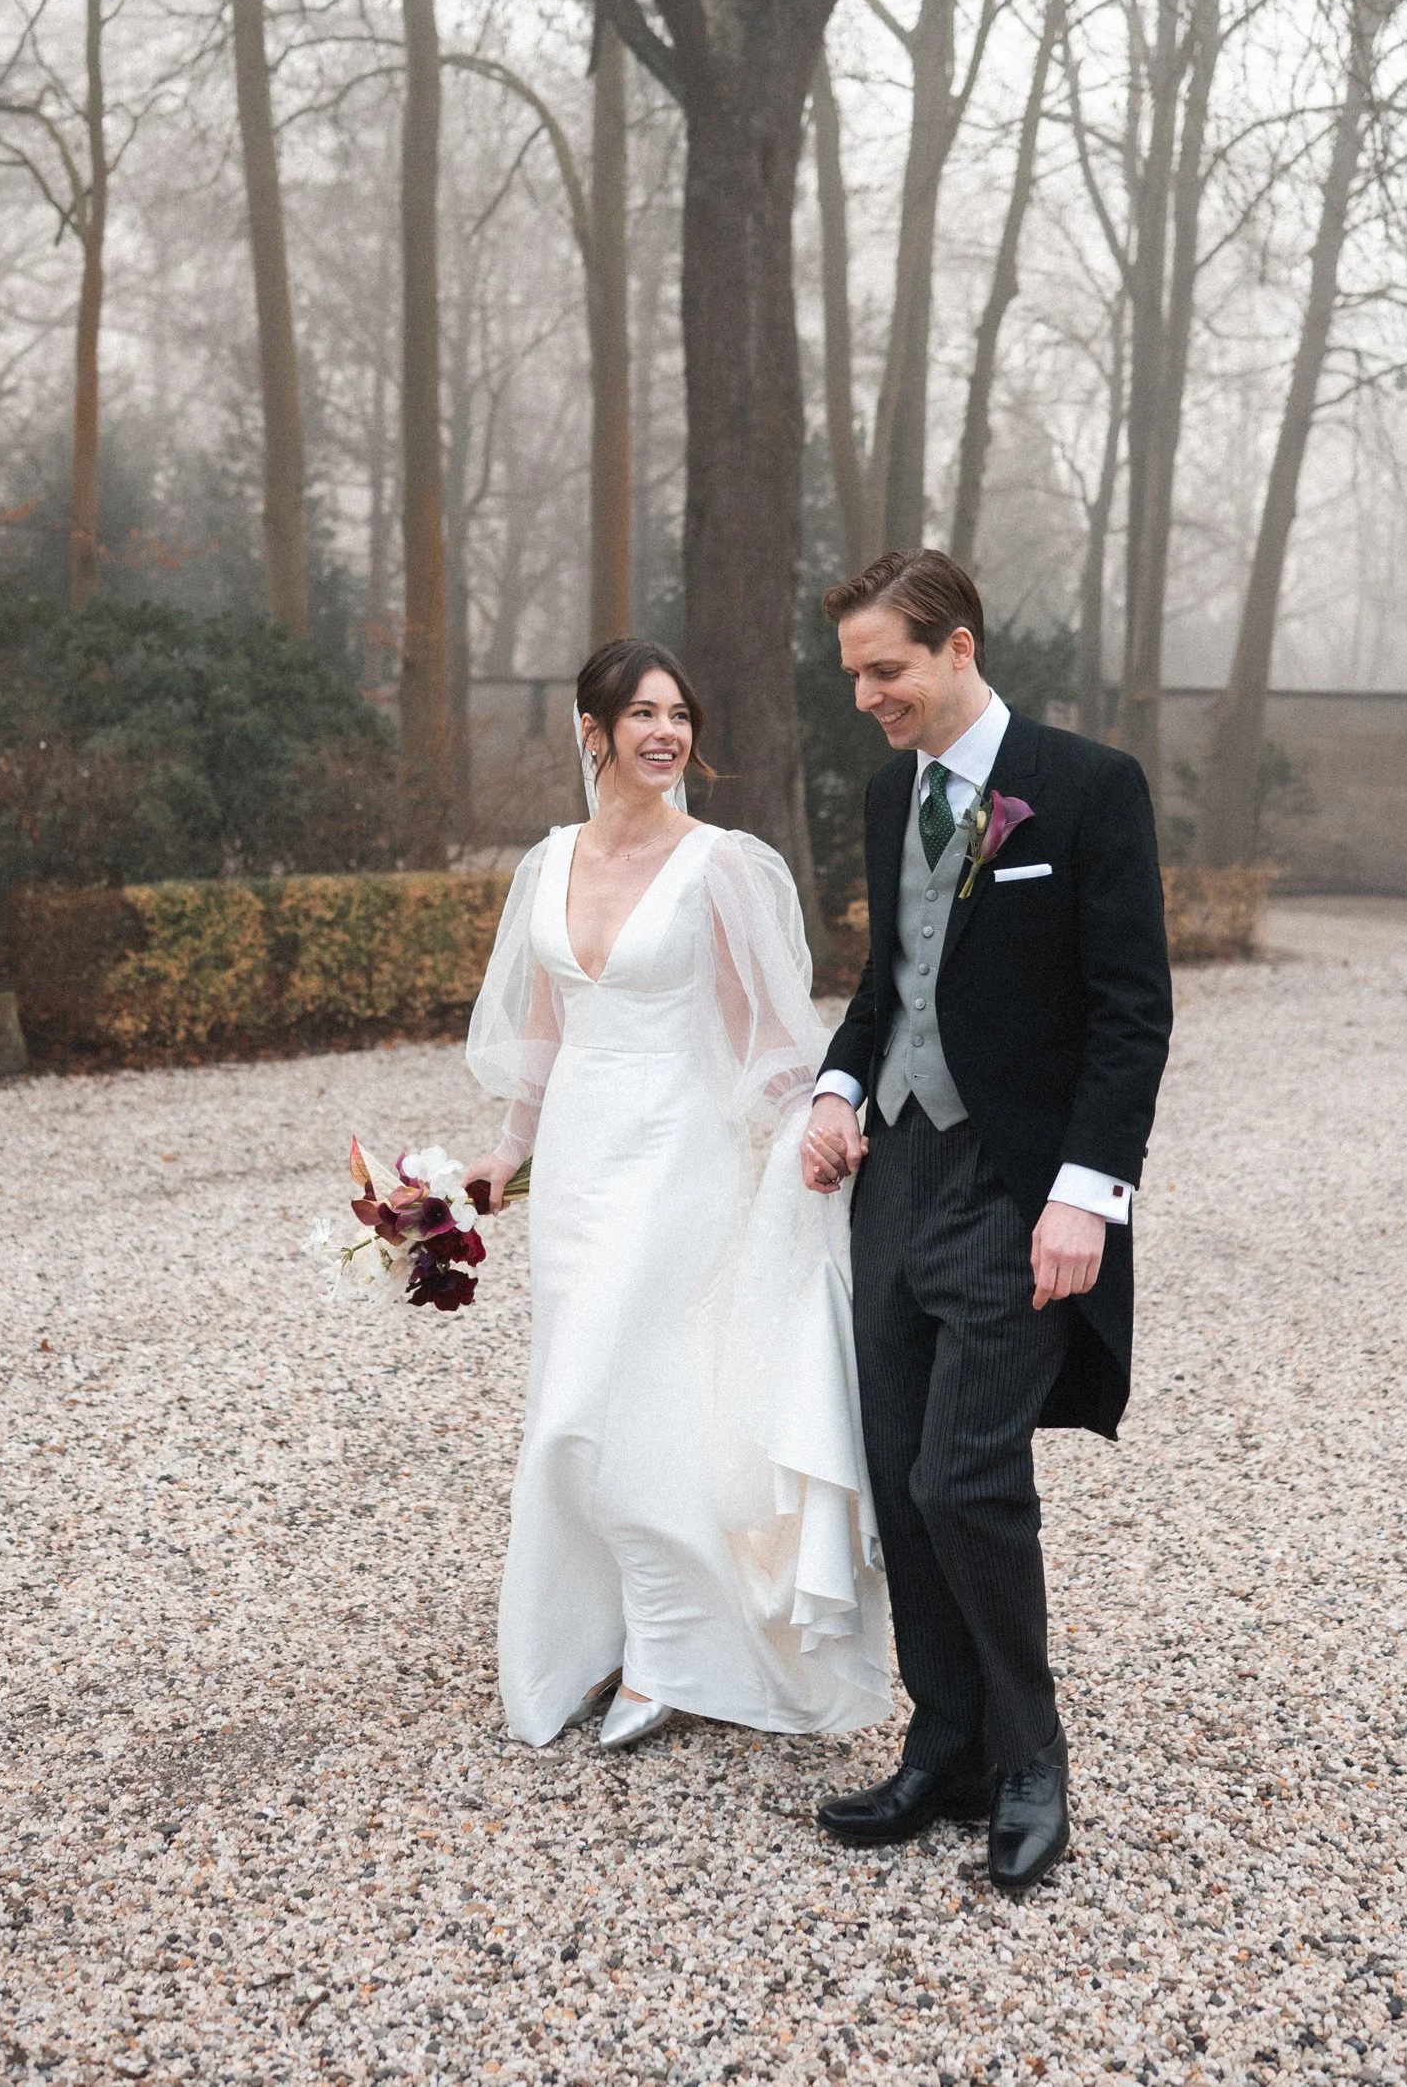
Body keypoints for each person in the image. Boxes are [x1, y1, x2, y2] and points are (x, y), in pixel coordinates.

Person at [800, 551, 1172, 1892]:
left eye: (882, 670)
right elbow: (888, 978)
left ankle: (1028, 1760)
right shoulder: (887, 790)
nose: (864, 697)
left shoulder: (1084, 788)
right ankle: (942, 1746)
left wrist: (1087, 1195)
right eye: (852, 673)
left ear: (955, 648)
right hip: (892, 1180)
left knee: (967, 1475)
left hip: (1019, 1191)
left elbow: (1130, 1015)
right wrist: (838, 1087)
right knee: (901, 1472)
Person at [465, 638, 889, 1752]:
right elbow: (546, 1036)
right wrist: (501, 1158)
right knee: (583, 1398)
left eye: (679, 713)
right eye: (642, 713)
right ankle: (586, 1638)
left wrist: (820, 1118)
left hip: (676, 1160)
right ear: (592, 731)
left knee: (608, 1401)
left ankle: (665, 1648)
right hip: (574, 1171)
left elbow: (765, 1035)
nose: (666, 732)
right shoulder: (548, 861)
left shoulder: (723, 866)